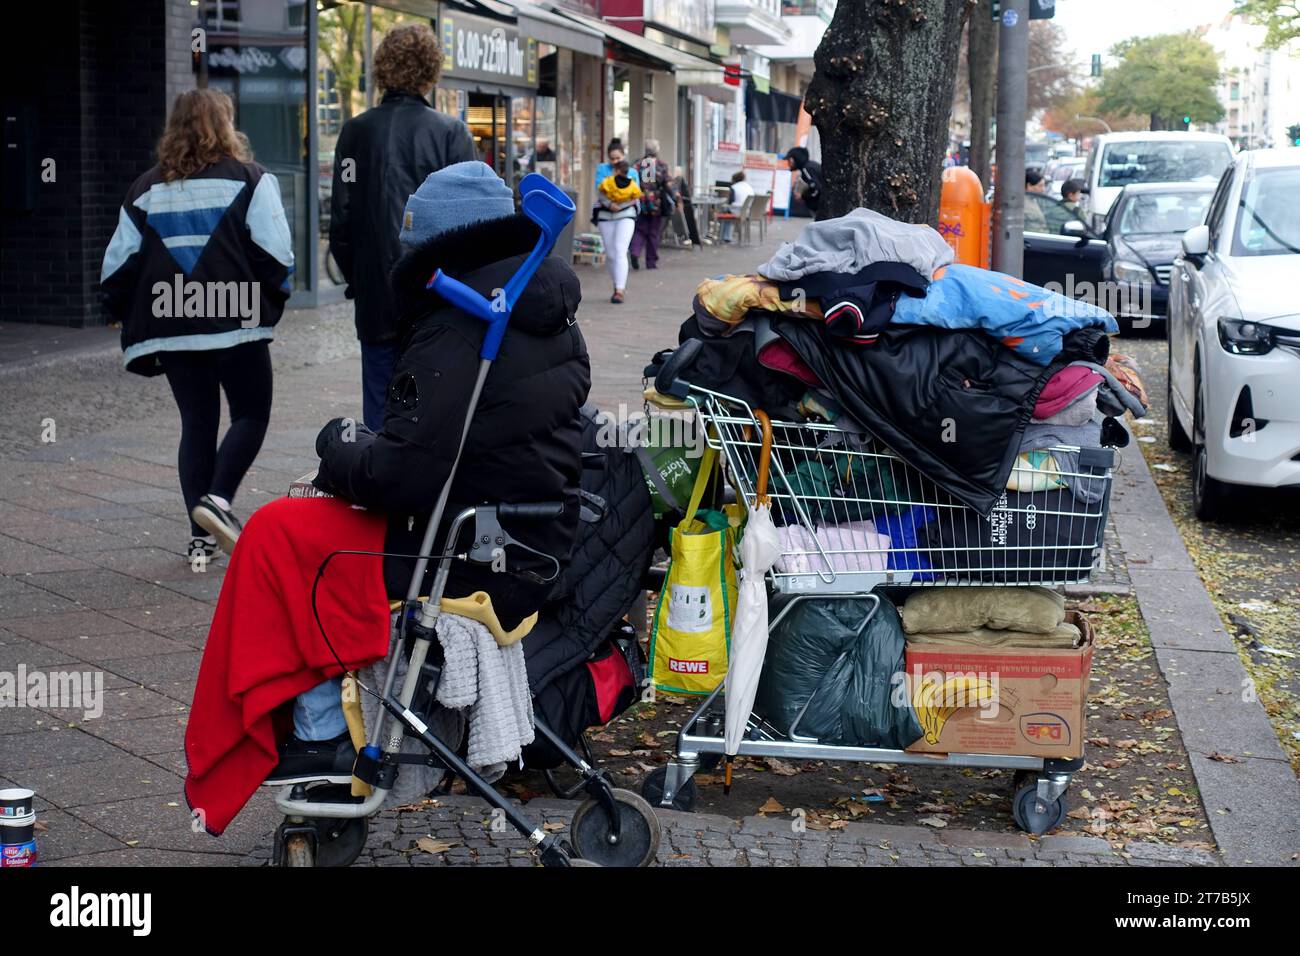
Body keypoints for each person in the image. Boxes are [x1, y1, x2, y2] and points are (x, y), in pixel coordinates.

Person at [185, 162, 592, 793]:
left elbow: (401, 473)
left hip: (459, 550)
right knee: (291, 529)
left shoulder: (462, 321)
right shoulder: (539, 308)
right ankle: (313, 729)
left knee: (276, 536)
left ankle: (316, 737)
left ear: (437, 246)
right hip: (519, 538)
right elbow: (455, 443)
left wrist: (336, 444)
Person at [101, 89, 293, 559]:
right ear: (226, 126)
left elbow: (116, 266)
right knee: (250, 414)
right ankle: (218, 498)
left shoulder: (144, 188)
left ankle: (199, 540)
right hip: (237, 318)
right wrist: (271, 299)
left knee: (197, 423)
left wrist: (118, 311)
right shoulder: (251, 179)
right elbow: (277, 255)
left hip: (172, 323)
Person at [329, 23, 475, 431]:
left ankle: (379, 486)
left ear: (382, 68)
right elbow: (476, 222)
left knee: (379, 407)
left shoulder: (355, 132)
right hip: (438, 294)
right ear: (431, 69)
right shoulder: (451, 133)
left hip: (377, 292)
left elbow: (341, 219)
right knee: (437, 405)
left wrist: (357, 278)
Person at [594, 143, 639, 304]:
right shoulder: (602, 169)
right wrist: (608, 204)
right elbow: (598, 190)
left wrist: (621, 205)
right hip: (606, 215)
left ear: (623, 156)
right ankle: (616, 283)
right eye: (612, 158)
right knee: (611, 254)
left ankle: (620, 289)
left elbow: (636, 194)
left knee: (620, 250)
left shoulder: (632, 171)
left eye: (618, 158)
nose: (615, 161)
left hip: (626, 214)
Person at [629, 139, 674, 270]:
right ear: (657, 150)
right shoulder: (661, 165)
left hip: (640, 200)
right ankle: (651, 262)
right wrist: (676, 198)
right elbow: (668, 185)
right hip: (656, 202)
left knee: (639, 229)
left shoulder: (637, 164)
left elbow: (631, 180)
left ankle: (635, 252)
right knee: (654, 232)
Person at [785, 146, 823, 214]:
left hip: (820, 208)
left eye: (789, 160)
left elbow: (816, 189)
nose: (788, 163)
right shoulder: (810, 166)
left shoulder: (807, 169)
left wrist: (802, 195)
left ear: (796, 159)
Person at [720, 169, 754, 243]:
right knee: (727, 210)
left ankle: (724, 236)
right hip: (747, 212)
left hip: (737, 211)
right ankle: (727, 236)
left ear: (734, 179)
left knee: (724, 211)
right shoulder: (749, 187)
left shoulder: (734, 187)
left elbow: (730, 202)